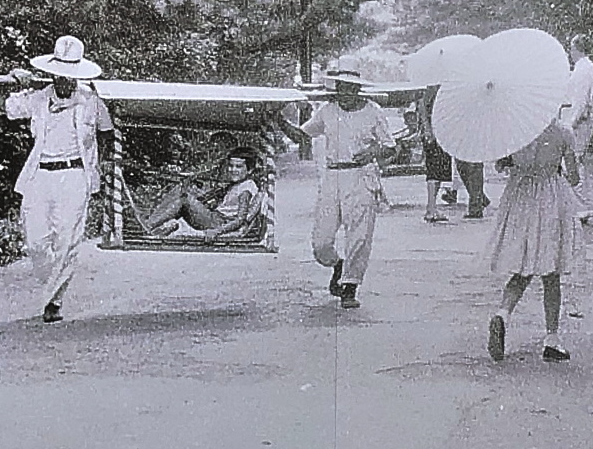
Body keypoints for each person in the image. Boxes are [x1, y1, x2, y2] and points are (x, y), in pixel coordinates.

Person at [4, 35, 114, 323]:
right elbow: (5, 110)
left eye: (69, 76)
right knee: (36, 242)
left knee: (67, 239)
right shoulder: (38, 98)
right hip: (41, 174)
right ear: (52, 74)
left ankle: (53, 302)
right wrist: (15, 83)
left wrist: (98, 167)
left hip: (75, 175)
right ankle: (51, 283)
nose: (64, 81)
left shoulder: (91, 101)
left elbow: (107, 133)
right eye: (59, 75)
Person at [280, 58, 395, 310]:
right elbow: (302, 135)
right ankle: (337, 265)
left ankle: (350, 286)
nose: (345, 92)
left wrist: (373, 153)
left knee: (359, 237)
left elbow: (390, 148)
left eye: (350, 87)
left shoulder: (373, 111)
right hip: (332, 177)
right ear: (336, 88)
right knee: (321, 242)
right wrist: (277, 119)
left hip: (361, 178)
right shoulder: (327, 110)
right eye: (341, 87)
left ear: (357, 89)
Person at [484, 119, 582, 364]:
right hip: (550, 198)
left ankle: (502, 314)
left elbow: (499, 165)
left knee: (522, 266)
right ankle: (551, 339)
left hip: (520, 198)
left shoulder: (516, 130)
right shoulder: (562, 132)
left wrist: (514, 161)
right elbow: (574, 177)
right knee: (551, 272)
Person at [135, 147, 263, 242]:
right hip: (214, 217)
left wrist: (217, 231)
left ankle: (150, 225)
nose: (232, 170)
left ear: (250, 170)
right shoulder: (237, 185)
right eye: (231, 166)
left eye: (238, 167)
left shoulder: (247, 188)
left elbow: (240, 219)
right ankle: (153, 225)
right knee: (180, 190)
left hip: (219, 223)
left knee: (183, 197)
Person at [560, 33, 593, 217]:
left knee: (573, 162)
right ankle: (576, 204)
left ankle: (583, 206)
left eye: (571, 47)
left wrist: (570, 125)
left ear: (577, 48)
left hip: (578, 121)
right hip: (577, 119)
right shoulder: (583, 68)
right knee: (572, 161)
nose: (570, 51)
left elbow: (581, 102)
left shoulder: (584, 70)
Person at [418, 86, 453, 223]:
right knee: (434, 171)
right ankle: (431, 208)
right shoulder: (434, 88)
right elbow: (423, 107)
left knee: (437, 172)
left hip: (440, 132)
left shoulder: (438, 87)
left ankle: (431, 207)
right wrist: (427, 129)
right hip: (435, 133)